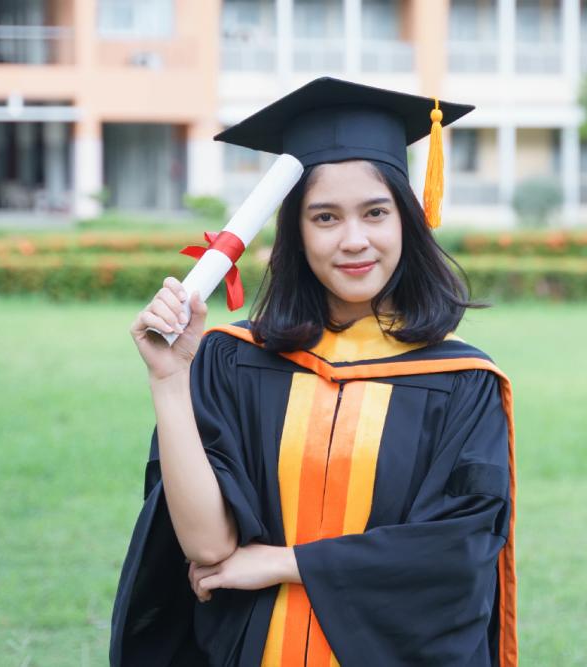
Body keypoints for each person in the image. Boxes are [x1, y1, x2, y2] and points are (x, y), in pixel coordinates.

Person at [112, 77, 518, 667]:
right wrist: (170, 381)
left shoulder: (460, 380)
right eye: (325, 217)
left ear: (407, 219)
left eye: (375, 212)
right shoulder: (234, 361)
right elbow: (207, 545)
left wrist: (283, 562)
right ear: (297, 236)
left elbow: (457, 552)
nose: (355, 240)